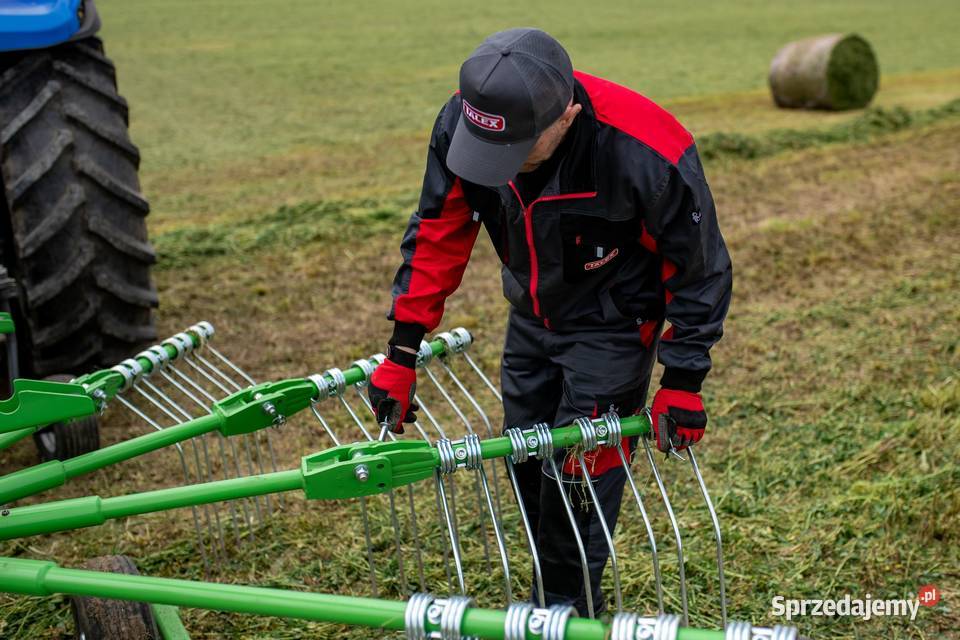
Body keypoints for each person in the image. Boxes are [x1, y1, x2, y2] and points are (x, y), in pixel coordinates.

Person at [367, 27, 732, 615]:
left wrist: (684, 379)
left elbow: (700, 268)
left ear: (566, 115)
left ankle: (562, 613)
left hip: (615, 323)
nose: (498, 166)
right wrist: (401, 353)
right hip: (532, 314)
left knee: (579, 478)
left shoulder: (643, 151)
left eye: (515, 150)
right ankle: (556, 587)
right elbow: (438, 234)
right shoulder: (465, 127)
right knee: (527, 457)